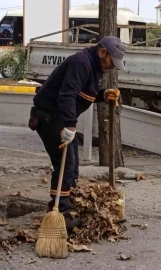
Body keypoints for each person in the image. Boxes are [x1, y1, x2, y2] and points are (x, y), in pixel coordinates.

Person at [29, 36, 125, 231]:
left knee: (71, 166)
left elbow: (84, 93)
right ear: (102, 52)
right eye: (111, 61)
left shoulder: (92, 66)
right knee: (66, 165)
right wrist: (70, 126)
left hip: (57, 117)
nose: (112, 67)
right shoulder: (81, 62)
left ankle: (64, 205)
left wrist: (103, 94)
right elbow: (67, 95)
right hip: (49, 117)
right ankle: (59, 213)